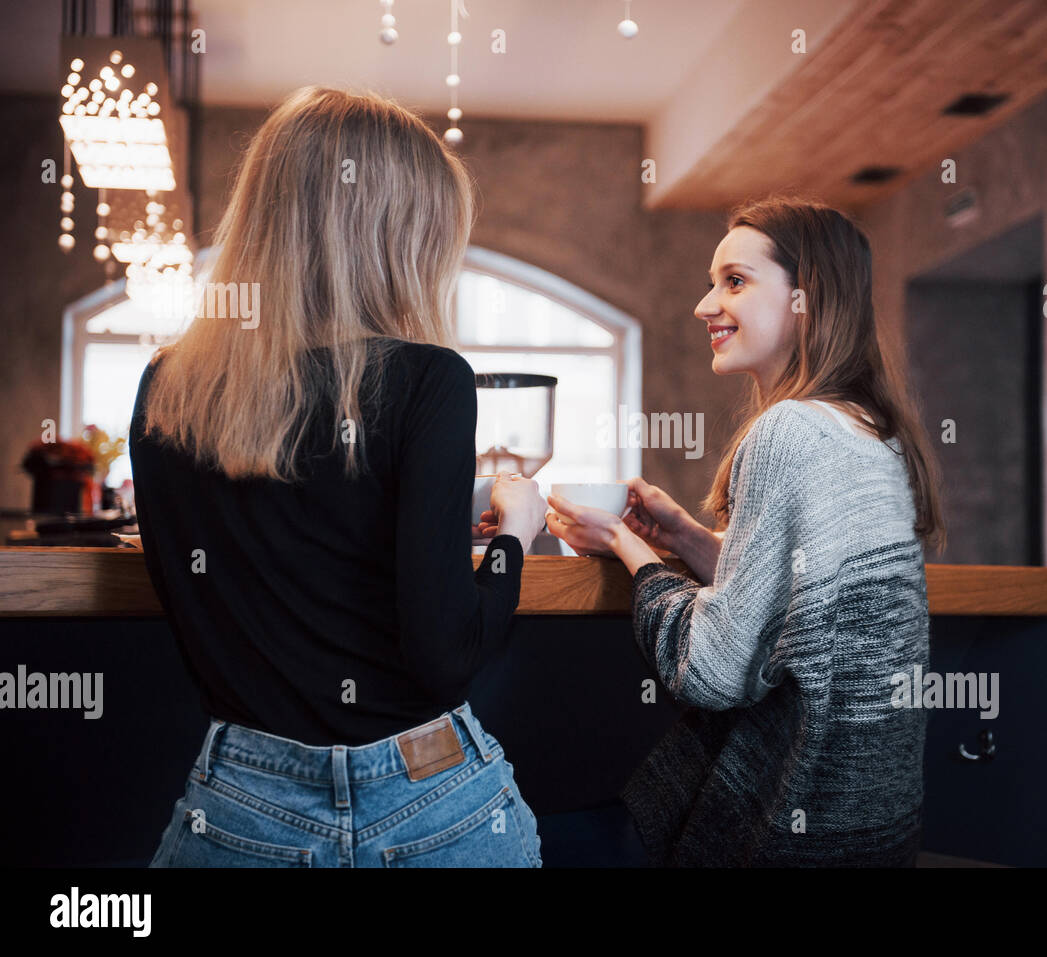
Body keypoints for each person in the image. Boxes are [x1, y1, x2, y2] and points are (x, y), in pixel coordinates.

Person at [131, 86, 549, 867]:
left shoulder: (169, 385)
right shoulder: (429, 379)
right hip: (432, 803)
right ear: (400, 237)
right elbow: (446, 656)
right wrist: (515, 536)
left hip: (239, 804)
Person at [546, 197, 946, 866]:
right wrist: (684, 534)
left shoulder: (786, 432)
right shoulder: (873, 434)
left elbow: (710, 669)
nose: (706, 305)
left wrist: (628, 546)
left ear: (803, 298)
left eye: (734, 281)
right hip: (869, 833)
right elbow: (793, 602)